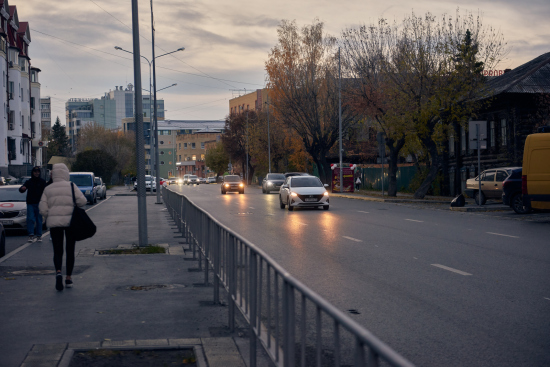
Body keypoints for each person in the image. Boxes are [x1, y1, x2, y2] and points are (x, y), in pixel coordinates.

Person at [39, 163, 87, 291]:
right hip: (71, 222)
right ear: (66, 173)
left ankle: (59, 271)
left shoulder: (48, 188)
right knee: (70, 250)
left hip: (55, 224)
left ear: (53, 174)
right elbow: (82, 201)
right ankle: (69, 278)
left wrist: (49, 215)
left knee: (57, 250)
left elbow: (42, 208)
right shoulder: (71, 186)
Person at [19, 166, 47, 242]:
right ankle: (31, 235)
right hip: (30, 203)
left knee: (39, 220)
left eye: (38, 172)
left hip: (39, 203)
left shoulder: (42, 182)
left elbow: (46, 191)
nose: (37, 173)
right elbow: (22, 189)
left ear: (40, 173)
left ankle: (39, 236)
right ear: (33, 173)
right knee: (30, 219)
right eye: (35, 172)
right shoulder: (29, 182)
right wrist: (22, 188)